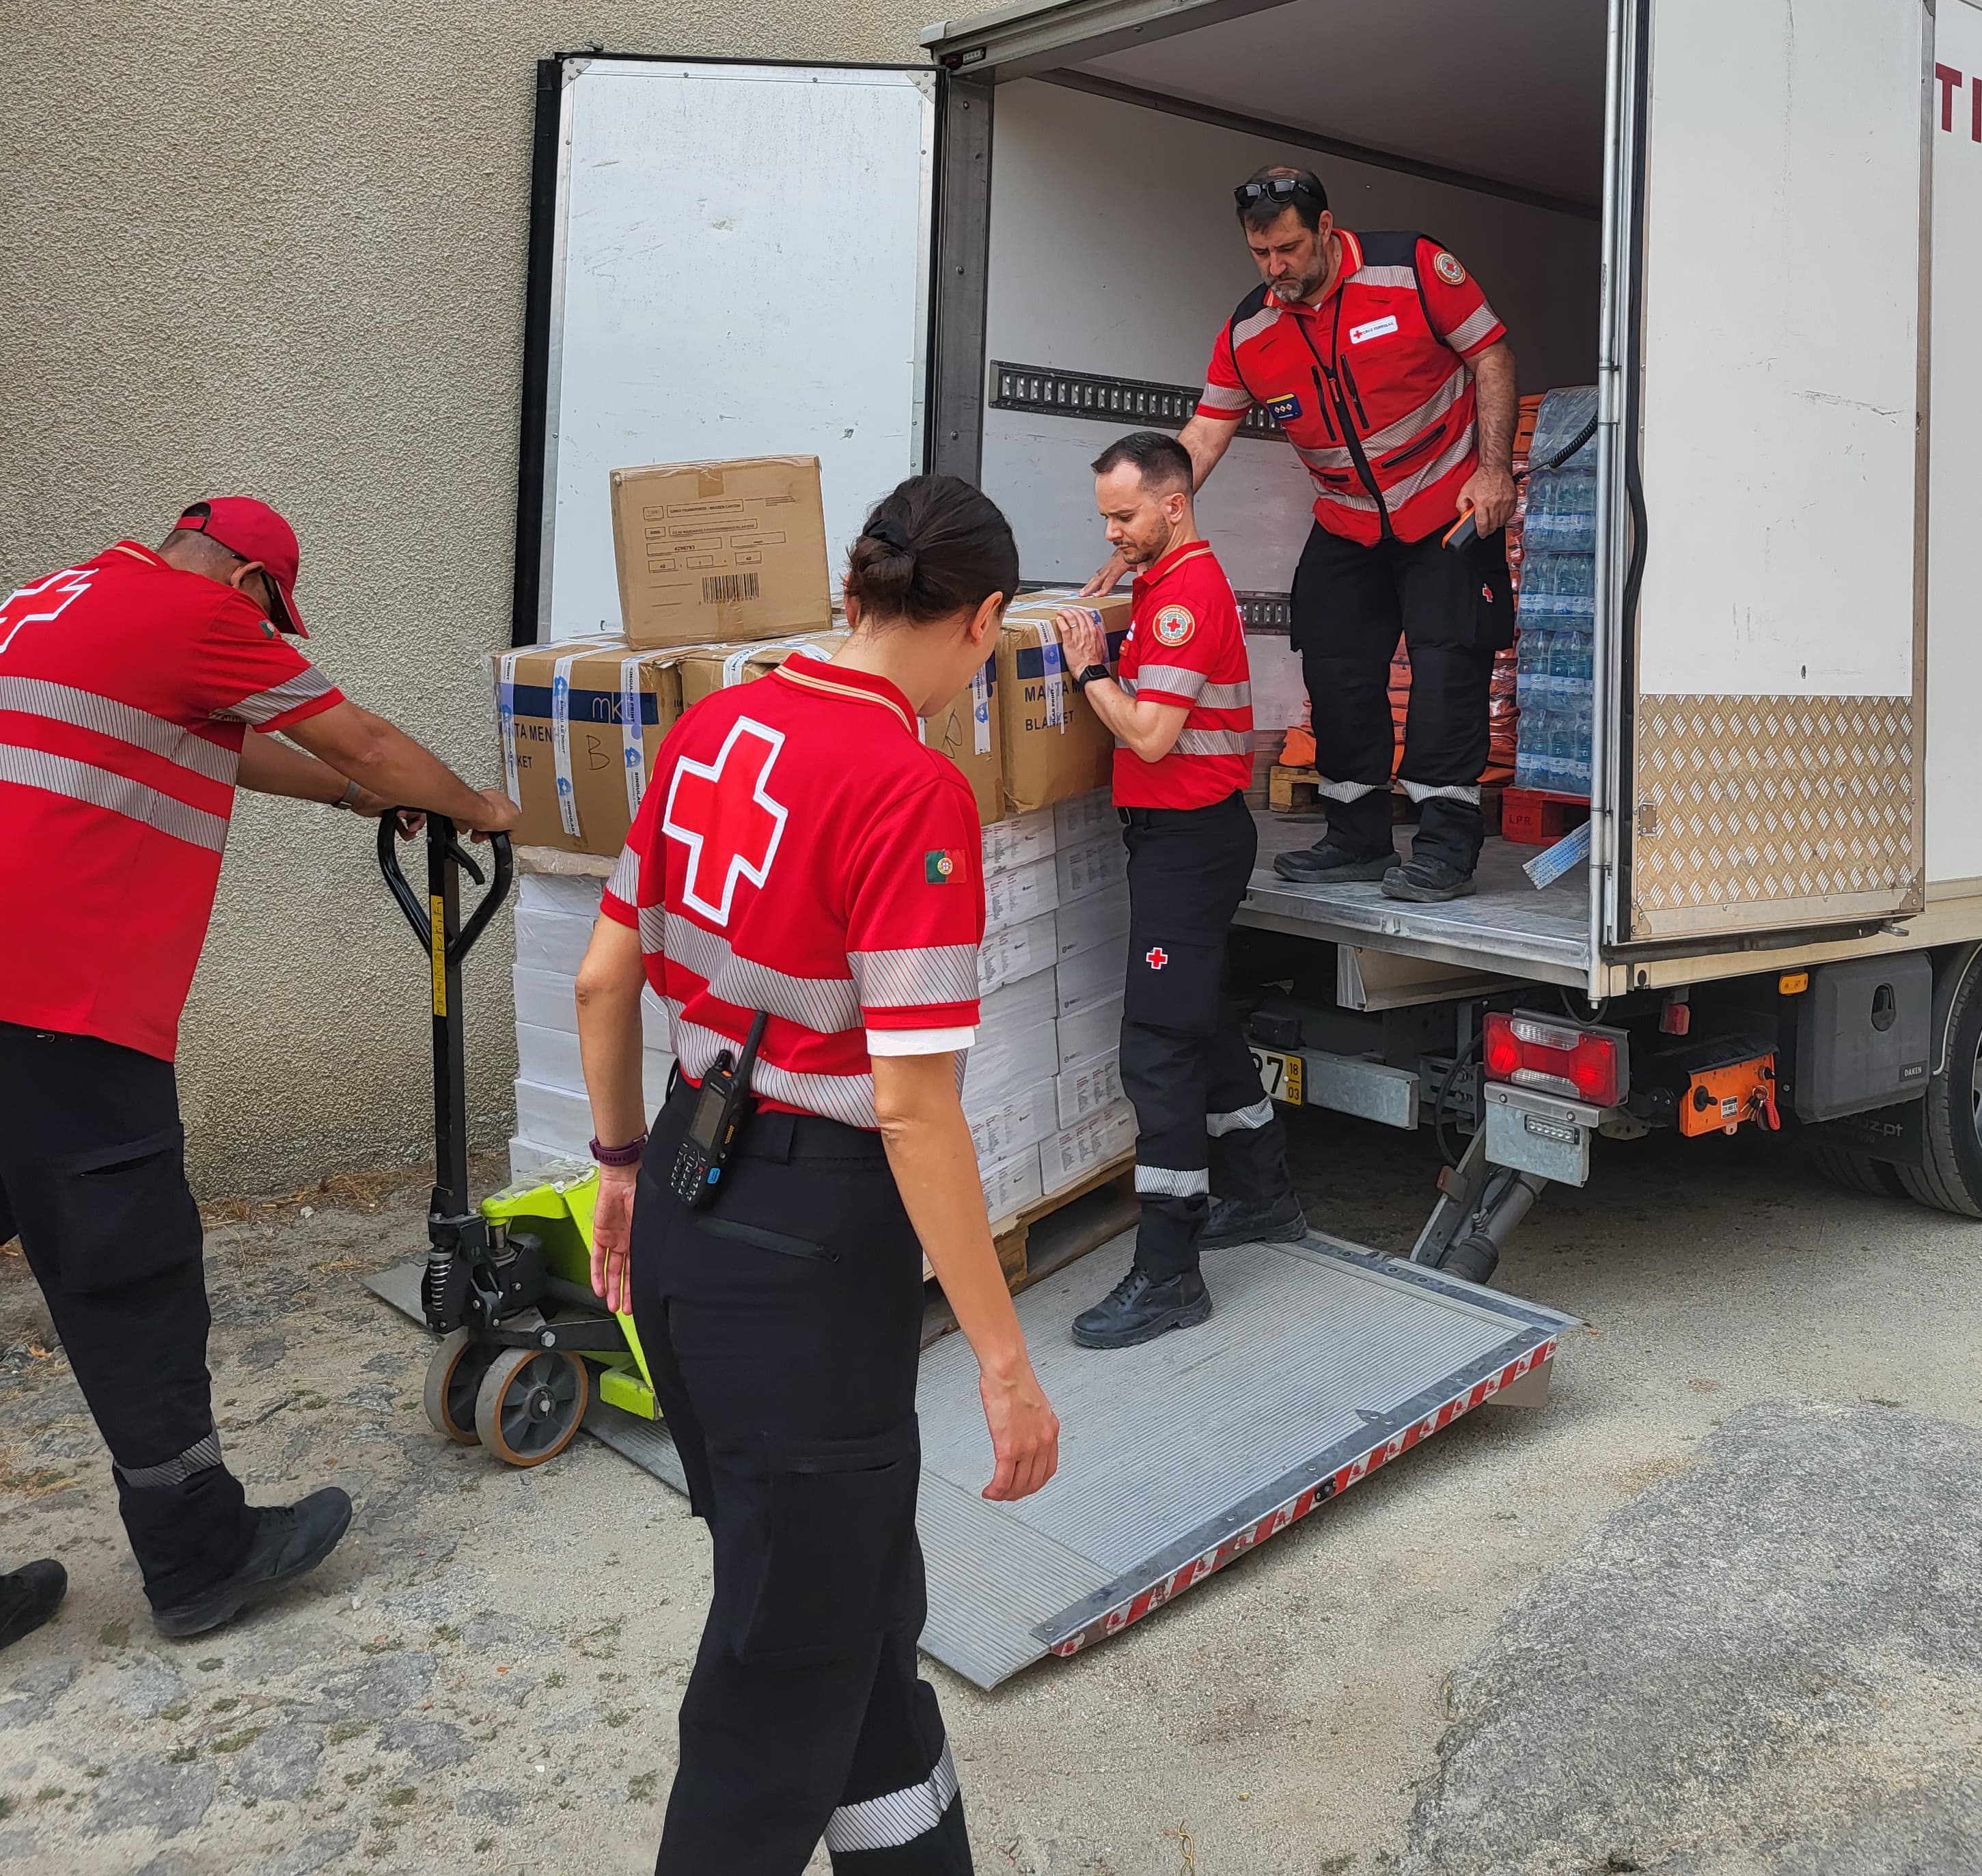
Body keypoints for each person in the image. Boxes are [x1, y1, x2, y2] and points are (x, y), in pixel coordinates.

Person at [574, 472, 1059, 1876]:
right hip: (806, 1244)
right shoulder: (910, 788)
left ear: (854, 592)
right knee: (783, 1667)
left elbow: (604, 978)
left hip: (689, 1200)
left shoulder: (710, 726)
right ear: (982, 621)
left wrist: (620, 1169)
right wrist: (1004, 1358)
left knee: (853, 1607)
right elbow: (911, 1109)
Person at [0, 497, 519, 1645]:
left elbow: (223, 745)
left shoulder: (49, 603)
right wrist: (471, 803)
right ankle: (199, 1555)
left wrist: (354, 798)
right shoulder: (194, 616)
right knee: (128, 1273)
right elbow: (362, 739)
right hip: (59, 1010)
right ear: (248, 587)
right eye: (272, 621)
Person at [1168, 165, 1517, 904]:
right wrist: (1148, 515)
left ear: (1326, 228)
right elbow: (1205, 433)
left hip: (1444, 509)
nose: (1275, 268)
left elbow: (1489, 354)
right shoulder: (1249, 330)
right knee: (1335, 670)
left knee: (1446, 672)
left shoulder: (1412, 269)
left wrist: (1492, 472)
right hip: (1347, 521)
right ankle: (1356, 839)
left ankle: (1445, 850)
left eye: (1288, 249)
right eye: (1260, 254)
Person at [1056, 434, 1303, 1350]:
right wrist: (1121, 581)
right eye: (1105, 519)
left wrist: (1090, 668)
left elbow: (1153, 735)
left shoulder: (1185, 598)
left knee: (1158, 1048)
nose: (1111, 534)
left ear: (1174, 504)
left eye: (1123, 516)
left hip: (1188, 845)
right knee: (1200, 1020)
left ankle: (1169, 1273)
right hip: (1184, 840)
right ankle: (1264, 1195)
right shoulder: (1165, 582)